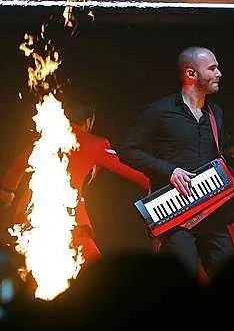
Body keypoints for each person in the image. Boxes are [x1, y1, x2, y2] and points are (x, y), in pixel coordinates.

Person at [118, 46, 234, 280]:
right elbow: (127, 151)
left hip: (213, 211)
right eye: (212, 68)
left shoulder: (215, 113)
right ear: (191, 74)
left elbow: (218, 161)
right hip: (175, 214)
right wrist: (170, 171)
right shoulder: (159, 111)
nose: (219, 73)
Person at [0, 96, 151, 265]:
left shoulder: (45, 139)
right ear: (89, 120)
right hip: (68, 221)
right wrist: (157, 182)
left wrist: (8, 192)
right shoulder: (95, 144)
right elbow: (128, 169)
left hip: (31, 216)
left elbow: (18, 166)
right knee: (97, 271)